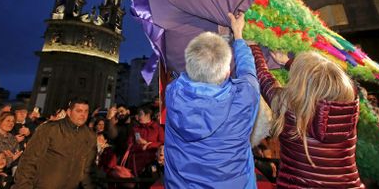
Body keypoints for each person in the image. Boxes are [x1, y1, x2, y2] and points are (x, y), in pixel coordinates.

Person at [164, 12, 260, 188]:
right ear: (227, 72)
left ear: (190, 68)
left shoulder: (172, 95)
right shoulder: (245, 98)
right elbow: (248, 71)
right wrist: (238, 35)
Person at [249, 45, 364, 188]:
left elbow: (264, 78)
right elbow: (327, 83)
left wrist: (253, 47)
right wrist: (288, 63)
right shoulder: (351, 110)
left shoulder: (290, 111)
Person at [12, 99, 96, 189]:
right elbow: (29, 160)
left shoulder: (90, 136)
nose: (83, 115)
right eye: (79, 111)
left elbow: (87, 170)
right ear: (69, 112)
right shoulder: (49, 129)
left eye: (86, 111)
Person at [127, 104, 164, 176]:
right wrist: (141, 147)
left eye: (140, 114)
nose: (138, 117)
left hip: (154, 163)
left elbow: (163, 143)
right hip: (137, 165)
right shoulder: (135, 129)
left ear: (148, 115)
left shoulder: (158, 128)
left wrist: (148, 145)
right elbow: (129, 145)